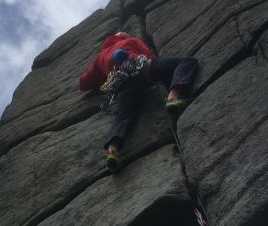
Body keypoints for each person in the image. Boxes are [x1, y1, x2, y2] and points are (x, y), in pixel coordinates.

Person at [79, 32, 198, 172]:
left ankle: (112, 150)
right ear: (122, 37)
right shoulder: (131, 40)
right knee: (187, 61)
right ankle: (173, 97)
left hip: (121, 84)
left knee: (123, 116)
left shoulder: (99, 58)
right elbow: (148, 55)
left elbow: (84, 83)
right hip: (140, 68)